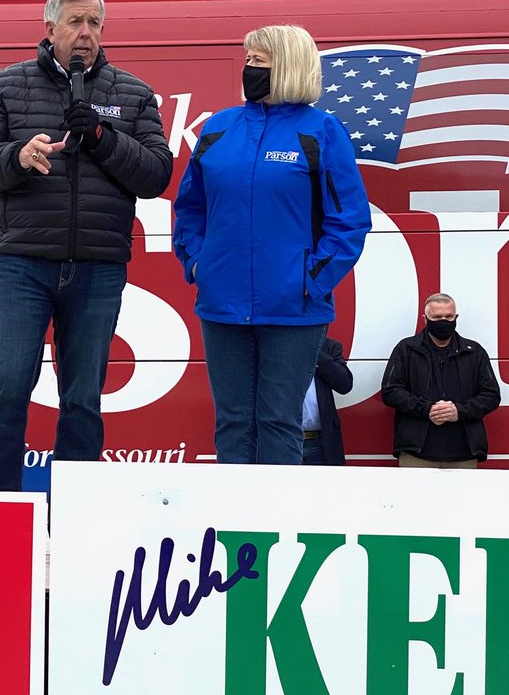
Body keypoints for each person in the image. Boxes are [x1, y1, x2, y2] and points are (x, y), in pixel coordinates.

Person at [0, 0, 173, 491]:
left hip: (98, 267)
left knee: (82, 398)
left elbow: (156, 176)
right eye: (75, 22)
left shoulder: (133, 94)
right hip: (25, 264)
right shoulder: (4, 86)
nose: (85, 34)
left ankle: (75, 516)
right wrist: (17, 158)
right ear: (49, 27)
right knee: (8, 385)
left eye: (94, 23)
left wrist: (101, 136)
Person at [172, 24, 371, 465]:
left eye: (258, 61)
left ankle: (277, 528)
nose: (248, 69)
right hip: (222, 304)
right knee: (233, 421)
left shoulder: (321, 131)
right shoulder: (219, 128)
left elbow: (350, 220)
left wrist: (310, 281)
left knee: (280, 421)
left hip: (294, 309)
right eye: (247, 61)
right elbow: (190, 207)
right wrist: (199, 265)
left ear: (287, 66)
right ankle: (233, 527)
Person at [380, 292, 500, 468]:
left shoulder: (474, 351)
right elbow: (390, 391)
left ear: (456, 317)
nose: (443, 321)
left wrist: (459, 411)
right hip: (416, 453)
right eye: (437, 317)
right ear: (425, 318)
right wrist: (428, 409)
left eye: (448, 316)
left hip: (465, 452)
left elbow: (491, 395)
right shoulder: (406, 349)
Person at [301, 337, 353, 465]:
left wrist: (316, 352)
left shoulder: (328, 347)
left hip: (320, 442)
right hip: (284, 440)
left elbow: (344, 384)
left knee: (325, 484)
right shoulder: (276, 347)